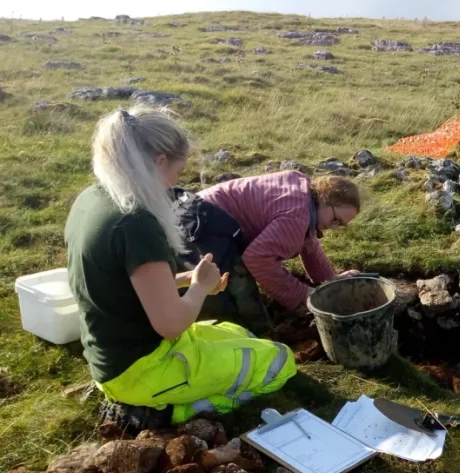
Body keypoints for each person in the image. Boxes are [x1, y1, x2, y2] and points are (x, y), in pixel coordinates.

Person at [65, 105, 297, 431]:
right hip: (141, 368)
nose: (177, 180)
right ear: (159, 161)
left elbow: (128, 285)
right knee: (280, 361)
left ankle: (155, 396)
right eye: (178, 170)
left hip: (112, 354)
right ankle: (168, 413)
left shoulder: (92, 199)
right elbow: (171, 324)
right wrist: (200, 287)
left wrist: (187, 279)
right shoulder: (136, 222)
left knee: (237, 333)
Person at [196, 171, 361, 323]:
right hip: (204, 227)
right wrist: (302, 294)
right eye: (335, 219)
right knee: (241, 304)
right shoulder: (297, 217)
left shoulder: (302, 189)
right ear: (326, 198)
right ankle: (257, 336)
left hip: (197, 207)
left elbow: (308, 242)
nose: (334, 226)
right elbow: (258, 259)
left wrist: (330, 280)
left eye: (340, 225)